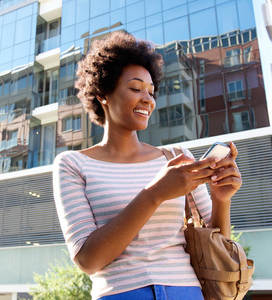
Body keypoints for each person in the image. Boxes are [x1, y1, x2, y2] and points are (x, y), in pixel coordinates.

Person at [52, 31, 242, 299]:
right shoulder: (72, 164)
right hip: (122, 293)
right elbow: (88, 260)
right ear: (104, 93)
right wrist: (155, 194)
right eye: (135, 88)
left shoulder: (176, 157)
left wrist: (222, 200)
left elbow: (217, 243)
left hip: (186, 292)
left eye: (151, 92)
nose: (147, 99)